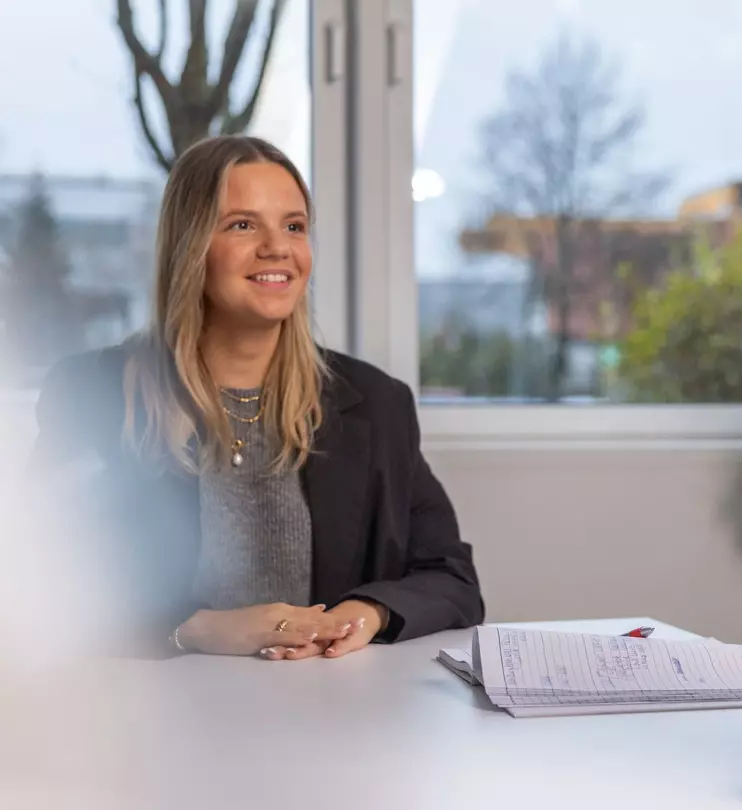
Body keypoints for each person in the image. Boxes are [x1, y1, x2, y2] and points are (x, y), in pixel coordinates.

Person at [29, 135, 484, 660]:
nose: (278, 247)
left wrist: (364, 613)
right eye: (243, 225)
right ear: (191, 245)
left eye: (293, 226)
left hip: (332, 715)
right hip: (151, 718)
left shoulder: (377, 403)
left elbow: (453, 581)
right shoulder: (93, 394)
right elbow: (36, 591)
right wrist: (192, 632)